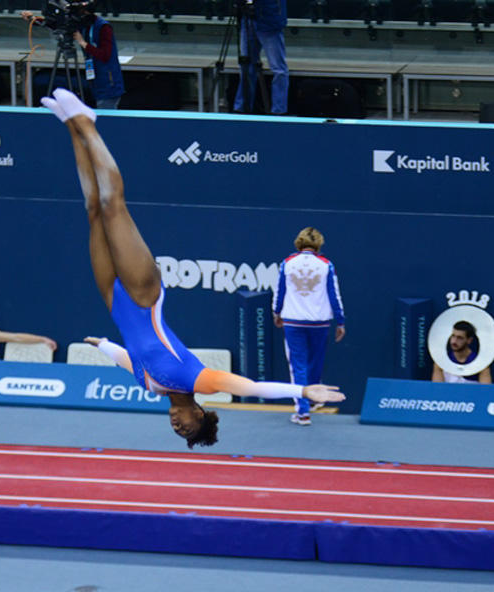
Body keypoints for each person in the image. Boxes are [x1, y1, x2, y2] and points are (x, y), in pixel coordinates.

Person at [41, 87, 343, 448]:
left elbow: (128, 357)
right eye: (185, 427)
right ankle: (89, 124)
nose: (176, 424)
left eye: (176, 430)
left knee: (92, 211)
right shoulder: (196, 379)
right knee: (112, 207)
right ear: (200, 413)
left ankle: (71, 127)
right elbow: (250, 387)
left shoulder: (150, 386)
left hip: (113, 300)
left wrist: (103, 344)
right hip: (143, 295)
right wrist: (303, 388)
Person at [272, 227, 345, 425]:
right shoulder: (326, 265)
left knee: (298, 366)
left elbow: (279, 291)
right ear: (319, 244)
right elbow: (334, 294)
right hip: (319, 322)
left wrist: (276, 312)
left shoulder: (287, 263)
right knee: (315, 363)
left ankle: (303, 411)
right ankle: (310, 400)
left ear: (298, 242)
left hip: (294, 321)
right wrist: (340, 320)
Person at [20, 0, 125, 110]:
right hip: (95, 80)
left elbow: (105, 55)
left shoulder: (103, 27)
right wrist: (33, 19)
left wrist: (83, 43)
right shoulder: (83, 24)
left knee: (105, 117)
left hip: (108, 82)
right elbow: (57, 25)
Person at [234, 0, 288, 115]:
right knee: (246, 67)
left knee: (278, 69)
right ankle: (243, 107)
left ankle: (279, 111)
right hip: (248, 19)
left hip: (270, 18)